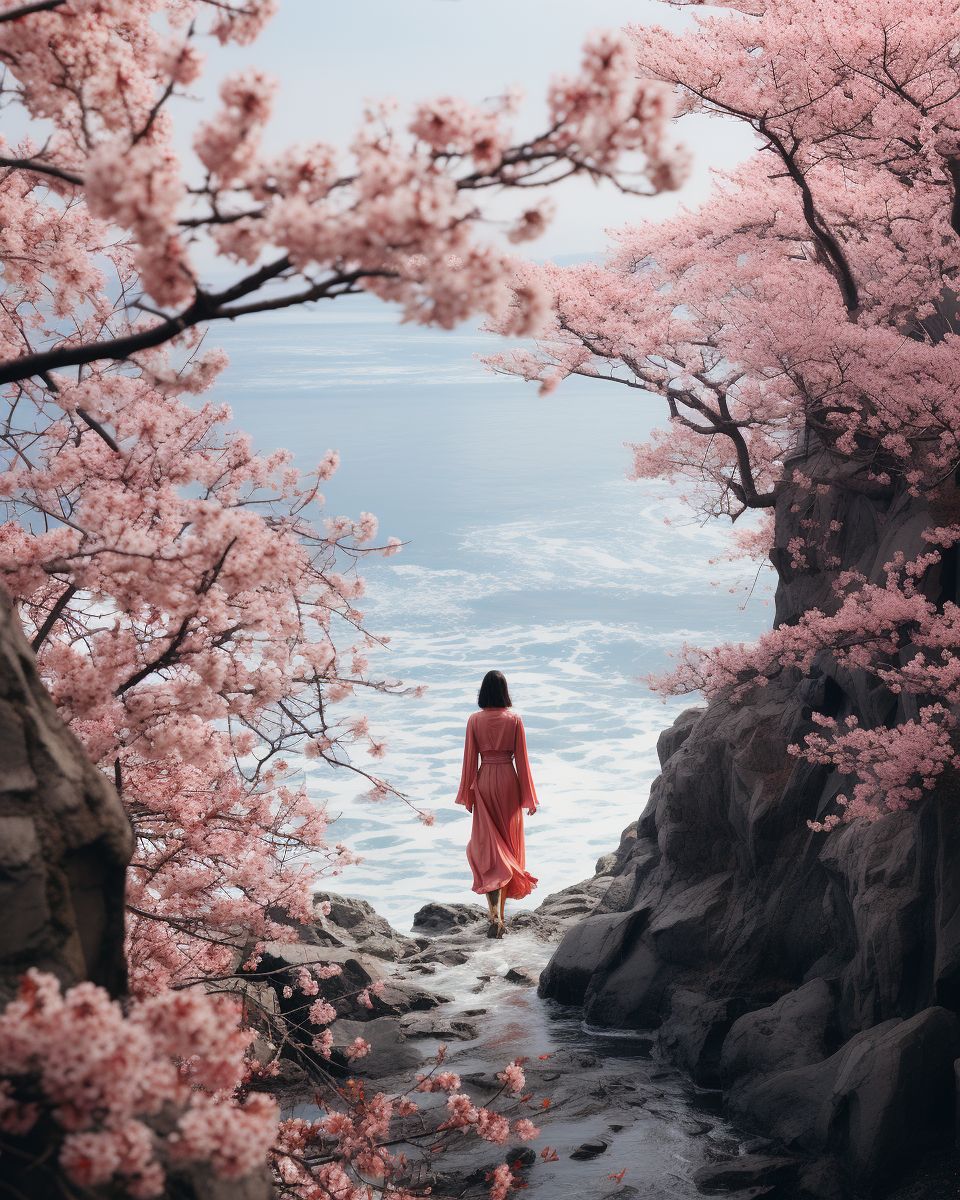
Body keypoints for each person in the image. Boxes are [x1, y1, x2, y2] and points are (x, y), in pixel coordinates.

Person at [455, 669, 538, 937]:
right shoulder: (514, 720)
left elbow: (469, 759)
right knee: (507, 849)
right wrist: (529, 798)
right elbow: (523, 760)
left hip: (485, 781)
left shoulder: (474, 720)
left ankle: (495, 916)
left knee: (488, 849)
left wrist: (468, 794)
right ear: (504, 692)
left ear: (483, 692)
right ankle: (499, 917)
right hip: (508, 783)